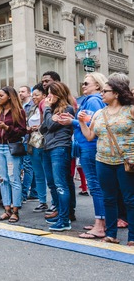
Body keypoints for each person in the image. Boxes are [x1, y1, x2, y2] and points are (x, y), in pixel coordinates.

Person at [78, 76, 134, 246]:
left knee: (129, 199)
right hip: (102, 161)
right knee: (108, 198)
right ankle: (111, 234)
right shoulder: (99, 113)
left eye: (105, 91)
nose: (102, 94)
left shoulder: (130, 110)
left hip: (126, 161)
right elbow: (89, 136)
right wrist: (81, 122)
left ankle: (132, 237)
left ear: (116, 93)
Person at [58, 72, 107, 239]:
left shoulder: (93, 100)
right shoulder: (91, 100)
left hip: (90, 146)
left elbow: (93, 123)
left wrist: (70, 121)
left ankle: (100, 225)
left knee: (95, 185)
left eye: (87, 83)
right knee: (96, 184)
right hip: (87, 146)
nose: (83, 85)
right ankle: (101, 222)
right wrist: (73, 119)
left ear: (98, 86)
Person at [40, 82, 76, 232]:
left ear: (58, 93)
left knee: (61, 184)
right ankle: (62, 214)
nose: (48, 97)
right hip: (49, 147)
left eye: (51, 93)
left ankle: (64, 219)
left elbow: (51, 125)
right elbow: (43, 128)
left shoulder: (67, 109)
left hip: (60, 148)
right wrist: (49, 116)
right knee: (53, 183)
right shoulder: (52, 110)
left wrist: (47, 111)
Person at [0, 86, 27, 223]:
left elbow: (23, 131)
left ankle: (15, 210)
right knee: (2, 179)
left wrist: (6, 128)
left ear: (9, 96)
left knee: (14, 179)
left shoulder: (19, 111)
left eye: (1, 95)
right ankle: (6, 209)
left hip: (11, 147)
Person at [26, 83, 50, 213]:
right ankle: (42, 201)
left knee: (50, 175)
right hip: (34, 143)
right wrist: (29, 129)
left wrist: (40, 126)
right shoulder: (32, 108)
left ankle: (55, 204)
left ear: (45, 95)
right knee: (39, 174)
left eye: (37, 95)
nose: (34, 97)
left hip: (46, 143)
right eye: (33, 95)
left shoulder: (48, 107)